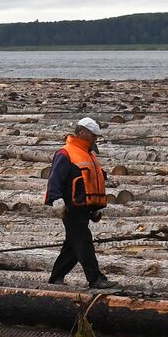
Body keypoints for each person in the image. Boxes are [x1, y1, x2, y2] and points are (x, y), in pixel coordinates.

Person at [44, 117, 116, 289]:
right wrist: (56, 200)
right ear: (82, 132)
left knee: (73, 245)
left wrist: (95, 208)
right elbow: (55, 179)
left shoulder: (89, 154)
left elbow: (90, 182)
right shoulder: (66, 153)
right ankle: (95, 279)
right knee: (83, 241)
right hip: (71, 207)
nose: (95, 139)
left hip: (84, 207)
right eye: (93, 136)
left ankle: (56, 277)